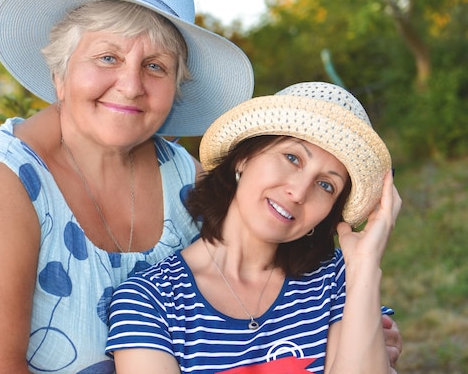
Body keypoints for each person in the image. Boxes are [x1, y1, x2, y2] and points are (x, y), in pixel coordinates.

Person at [0, 0, 400, 372]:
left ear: (176, 90)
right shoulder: (0, 184)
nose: (132, 85)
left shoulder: (179, 173)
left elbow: (259, 255)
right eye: (108, 58)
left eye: (155, 66)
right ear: (60, 70)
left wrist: (356, 329)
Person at [106, 81, 402, 374]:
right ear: (244, 158)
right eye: (292, 158)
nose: (299, 193)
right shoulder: (147, 302)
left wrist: (364, 265)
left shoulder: (338, 278)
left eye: (326, 185)